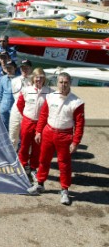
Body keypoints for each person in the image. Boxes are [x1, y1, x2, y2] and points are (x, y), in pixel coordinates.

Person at [28, 73, 85, 205]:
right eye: (60, 82)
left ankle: (64, 190)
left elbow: (79, 124)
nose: (63, 85)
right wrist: (38, 132)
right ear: (57, 83)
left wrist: (76, 141)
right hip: (48, 132)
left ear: (70, 83)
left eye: (65, 82)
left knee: (64, 164)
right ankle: (40, 184)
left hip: (65, 135)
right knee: (43, 160)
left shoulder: (76, 102)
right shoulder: (50, 97)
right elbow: (43, 115)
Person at [17, 68, 51, 182]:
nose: (39, 79)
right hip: (28, 121)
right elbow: (20, 104)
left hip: (41, 124)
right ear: (33, 78)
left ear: (44, 78)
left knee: (37, 147)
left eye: (41, 77)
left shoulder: (49, 92)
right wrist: (27, 116)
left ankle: (33, 167)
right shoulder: (26, 90)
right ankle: (23, 164)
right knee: (24, 145)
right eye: (37, 77)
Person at [8, 59, 33, 149]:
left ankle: (25, 157)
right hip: (16, 109)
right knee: (13, 133)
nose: (24, 70)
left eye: (27, 68)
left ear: (31, 69)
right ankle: (12, 156)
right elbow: (15, 95)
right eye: (22, 68)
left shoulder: (34, 81)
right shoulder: (14, 81)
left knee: (26, 136)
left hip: (29, 110)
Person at [0, 60, 17, 130]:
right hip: (4, 109)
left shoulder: (19, 79)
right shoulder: (2, 79)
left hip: (15, 109)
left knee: (15, 128)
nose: (9, 70)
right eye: (7, 68)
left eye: (10, 68)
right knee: (5, 128)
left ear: (15, 68)